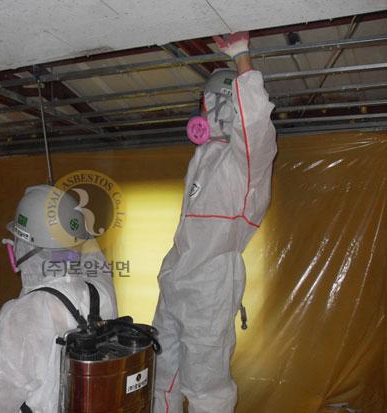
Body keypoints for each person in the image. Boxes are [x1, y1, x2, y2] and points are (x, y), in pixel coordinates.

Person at [152, 32, 277, 413]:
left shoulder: (247, 165)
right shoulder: (202, 157)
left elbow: (256, 125)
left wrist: (241, 57)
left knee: (206, 388)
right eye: (207, 104)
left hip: (209, 286)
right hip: (175, 278)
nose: (210, 113)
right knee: (163, 377)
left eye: (220, 104)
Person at [0, 185, 117, 412]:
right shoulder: (101, 291)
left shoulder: (25, 313)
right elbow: (92, 257)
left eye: (17, 240)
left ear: (25, 246)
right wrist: (70, 222)